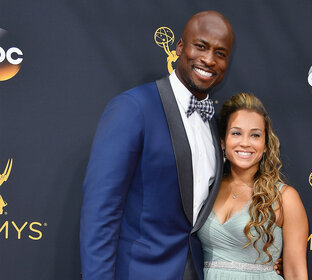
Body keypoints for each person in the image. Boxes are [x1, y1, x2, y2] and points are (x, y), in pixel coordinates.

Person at [80, 11, 234, 280]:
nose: (209, 60)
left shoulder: (213, 122)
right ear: (180, 47)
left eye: (220, 53)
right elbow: (99, 214)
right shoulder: (133, 108)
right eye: (201, 46)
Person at [197, 93, 309, 279]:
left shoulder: (284, 197)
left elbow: (296, 273)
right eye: (236, 133)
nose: (245, 143)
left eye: (255, 135)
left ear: (265, 145)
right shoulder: (206, 189)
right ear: (223, 141)